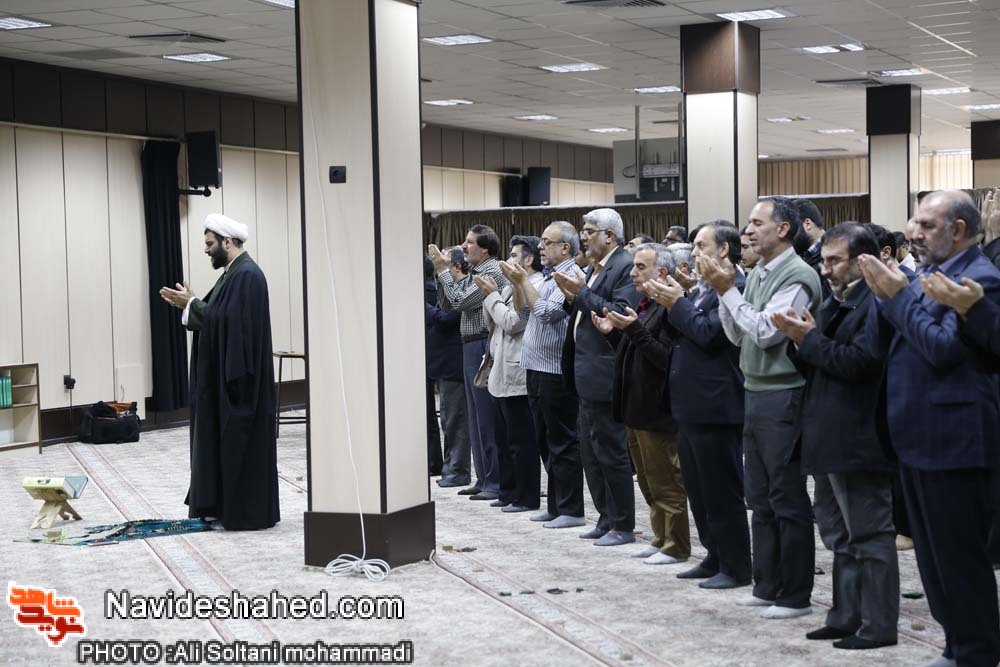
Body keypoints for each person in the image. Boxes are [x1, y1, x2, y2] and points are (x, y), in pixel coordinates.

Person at [860, 189, 1000, 667]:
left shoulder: (981, 278)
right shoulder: (923, 276)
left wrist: (897, 296)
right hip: (915, 435)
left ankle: (978, 651)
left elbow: (942, 349)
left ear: (957, 230)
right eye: (914, 223)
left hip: (954, 439)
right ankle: (956, 645)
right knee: (933, 559)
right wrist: (882, 294)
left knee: (959, 558)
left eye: (926, 225)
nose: (913, 233)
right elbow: (884, 344)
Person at [772, 222, 899, 650]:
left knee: (870, 535)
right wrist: (798, 340)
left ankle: (878, 625)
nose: (826, 270)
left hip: (859, 437)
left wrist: (808, 339)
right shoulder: (835, 301)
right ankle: (846, 616)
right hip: (826, 434)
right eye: (824, 261)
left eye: (835, 261)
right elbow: (818, 361)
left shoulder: (877, 302)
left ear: (864, 261)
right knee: (838, 535)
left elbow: (861, 364)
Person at [702, 196, 821, 619]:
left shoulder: (799, 275)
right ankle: (766, 584)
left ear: (783, 229)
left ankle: (795, 595)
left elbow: (767, 334)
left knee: (786, 496)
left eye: (756, 223)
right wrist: (727, 295)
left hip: (783, 393)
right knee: (759, 497)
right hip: (755, 390)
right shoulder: (758, 273)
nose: (748, 231)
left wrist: (726, 291)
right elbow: (738, 335)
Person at [644, 220, 752, 589]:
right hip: (691, 404)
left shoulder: (735, 286)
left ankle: (735, 566)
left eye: (701, 245)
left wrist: (677, 303)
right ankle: (714, 555)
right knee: (700, 490)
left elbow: (709, 335)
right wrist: (679, 300)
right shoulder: (704, 288)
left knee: (722, 491)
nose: (694, 253)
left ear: (724, 250)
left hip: (717, 405)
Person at [159, 213, 279, 531]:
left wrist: (192, 304)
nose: (206, 249)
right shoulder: (233, 275)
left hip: (243, 388)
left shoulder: (248, 276)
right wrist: (192, 305)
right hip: (229, 384)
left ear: (227, 241)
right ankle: (220, 506)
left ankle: (241, 512)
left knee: (238, 448)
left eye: (210, 243)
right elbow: (220, 316)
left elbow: (233, 325)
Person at [591, 243, 691, 565]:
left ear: (662, 272)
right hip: (636, 407)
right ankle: (660, 537)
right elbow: (637, 351)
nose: (633, 273)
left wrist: (633, 329)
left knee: (666, 482)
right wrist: (613, 334)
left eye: (640, 267)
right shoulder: (647, 304)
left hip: (657, 410)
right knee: (648, 481)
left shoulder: (672, 309)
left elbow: (666, 359)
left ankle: (675, 546)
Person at [555, 208, 641, 546]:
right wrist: (572, 297)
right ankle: (605, 518)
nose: (584, 236)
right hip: (585, 373)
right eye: (584, 230)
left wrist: (580, 294)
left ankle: (623, 524)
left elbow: (618, 313)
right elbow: (585, 306)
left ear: (610, 235)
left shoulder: (623, 266)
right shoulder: (594, 267)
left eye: (590, 231)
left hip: (606, 372)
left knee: (612, 453)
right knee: (591, 452)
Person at [507, 221, 587, 529]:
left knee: (562, 441)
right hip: (537, 368)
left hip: (555, 370)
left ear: (565, 247)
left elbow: (545, 314)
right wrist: (517, 284)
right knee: (545, 440)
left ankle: (571, 509)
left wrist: (522, 281)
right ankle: (555, 505)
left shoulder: (571, 276)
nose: (540, 246)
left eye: (546, 241)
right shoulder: (549, 277)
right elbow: (524, 311)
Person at [430, 226, 509, 501]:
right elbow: (447, 303)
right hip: (468, 344)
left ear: (485, 248)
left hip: (481, 342)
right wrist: (443, 274)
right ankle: (484, 477)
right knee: (475, 418)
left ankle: (495, 481)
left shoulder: (491, 272)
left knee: (486, 415)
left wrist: (444, 271)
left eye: (470, 242)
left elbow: (459, 301)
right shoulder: (475, 271)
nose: (464, 246)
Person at [479, 236, 544, 513]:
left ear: (528, 259)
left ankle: (526, 496)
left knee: (521, 440)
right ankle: (508, 491)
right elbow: (491, 323)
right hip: (499, 369)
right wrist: (492, 296)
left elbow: (512, 322)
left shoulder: (534, 284)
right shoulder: (508, 286)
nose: (508, 260)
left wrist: (491, 296)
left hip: (518, 372)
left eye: (514, 255)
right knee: (503, 438)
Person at [425, 252, 470, 488]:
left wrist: (424, 307)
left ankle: (458, 470)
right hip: (445, 363)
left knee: (456, 421)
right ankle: (449, 467)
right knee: (448, 420)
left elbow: (447, 318)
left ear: (457, 266)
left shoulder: (464, 289)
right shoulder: (447, 290)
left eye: (445, 264)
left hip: (454, 361)